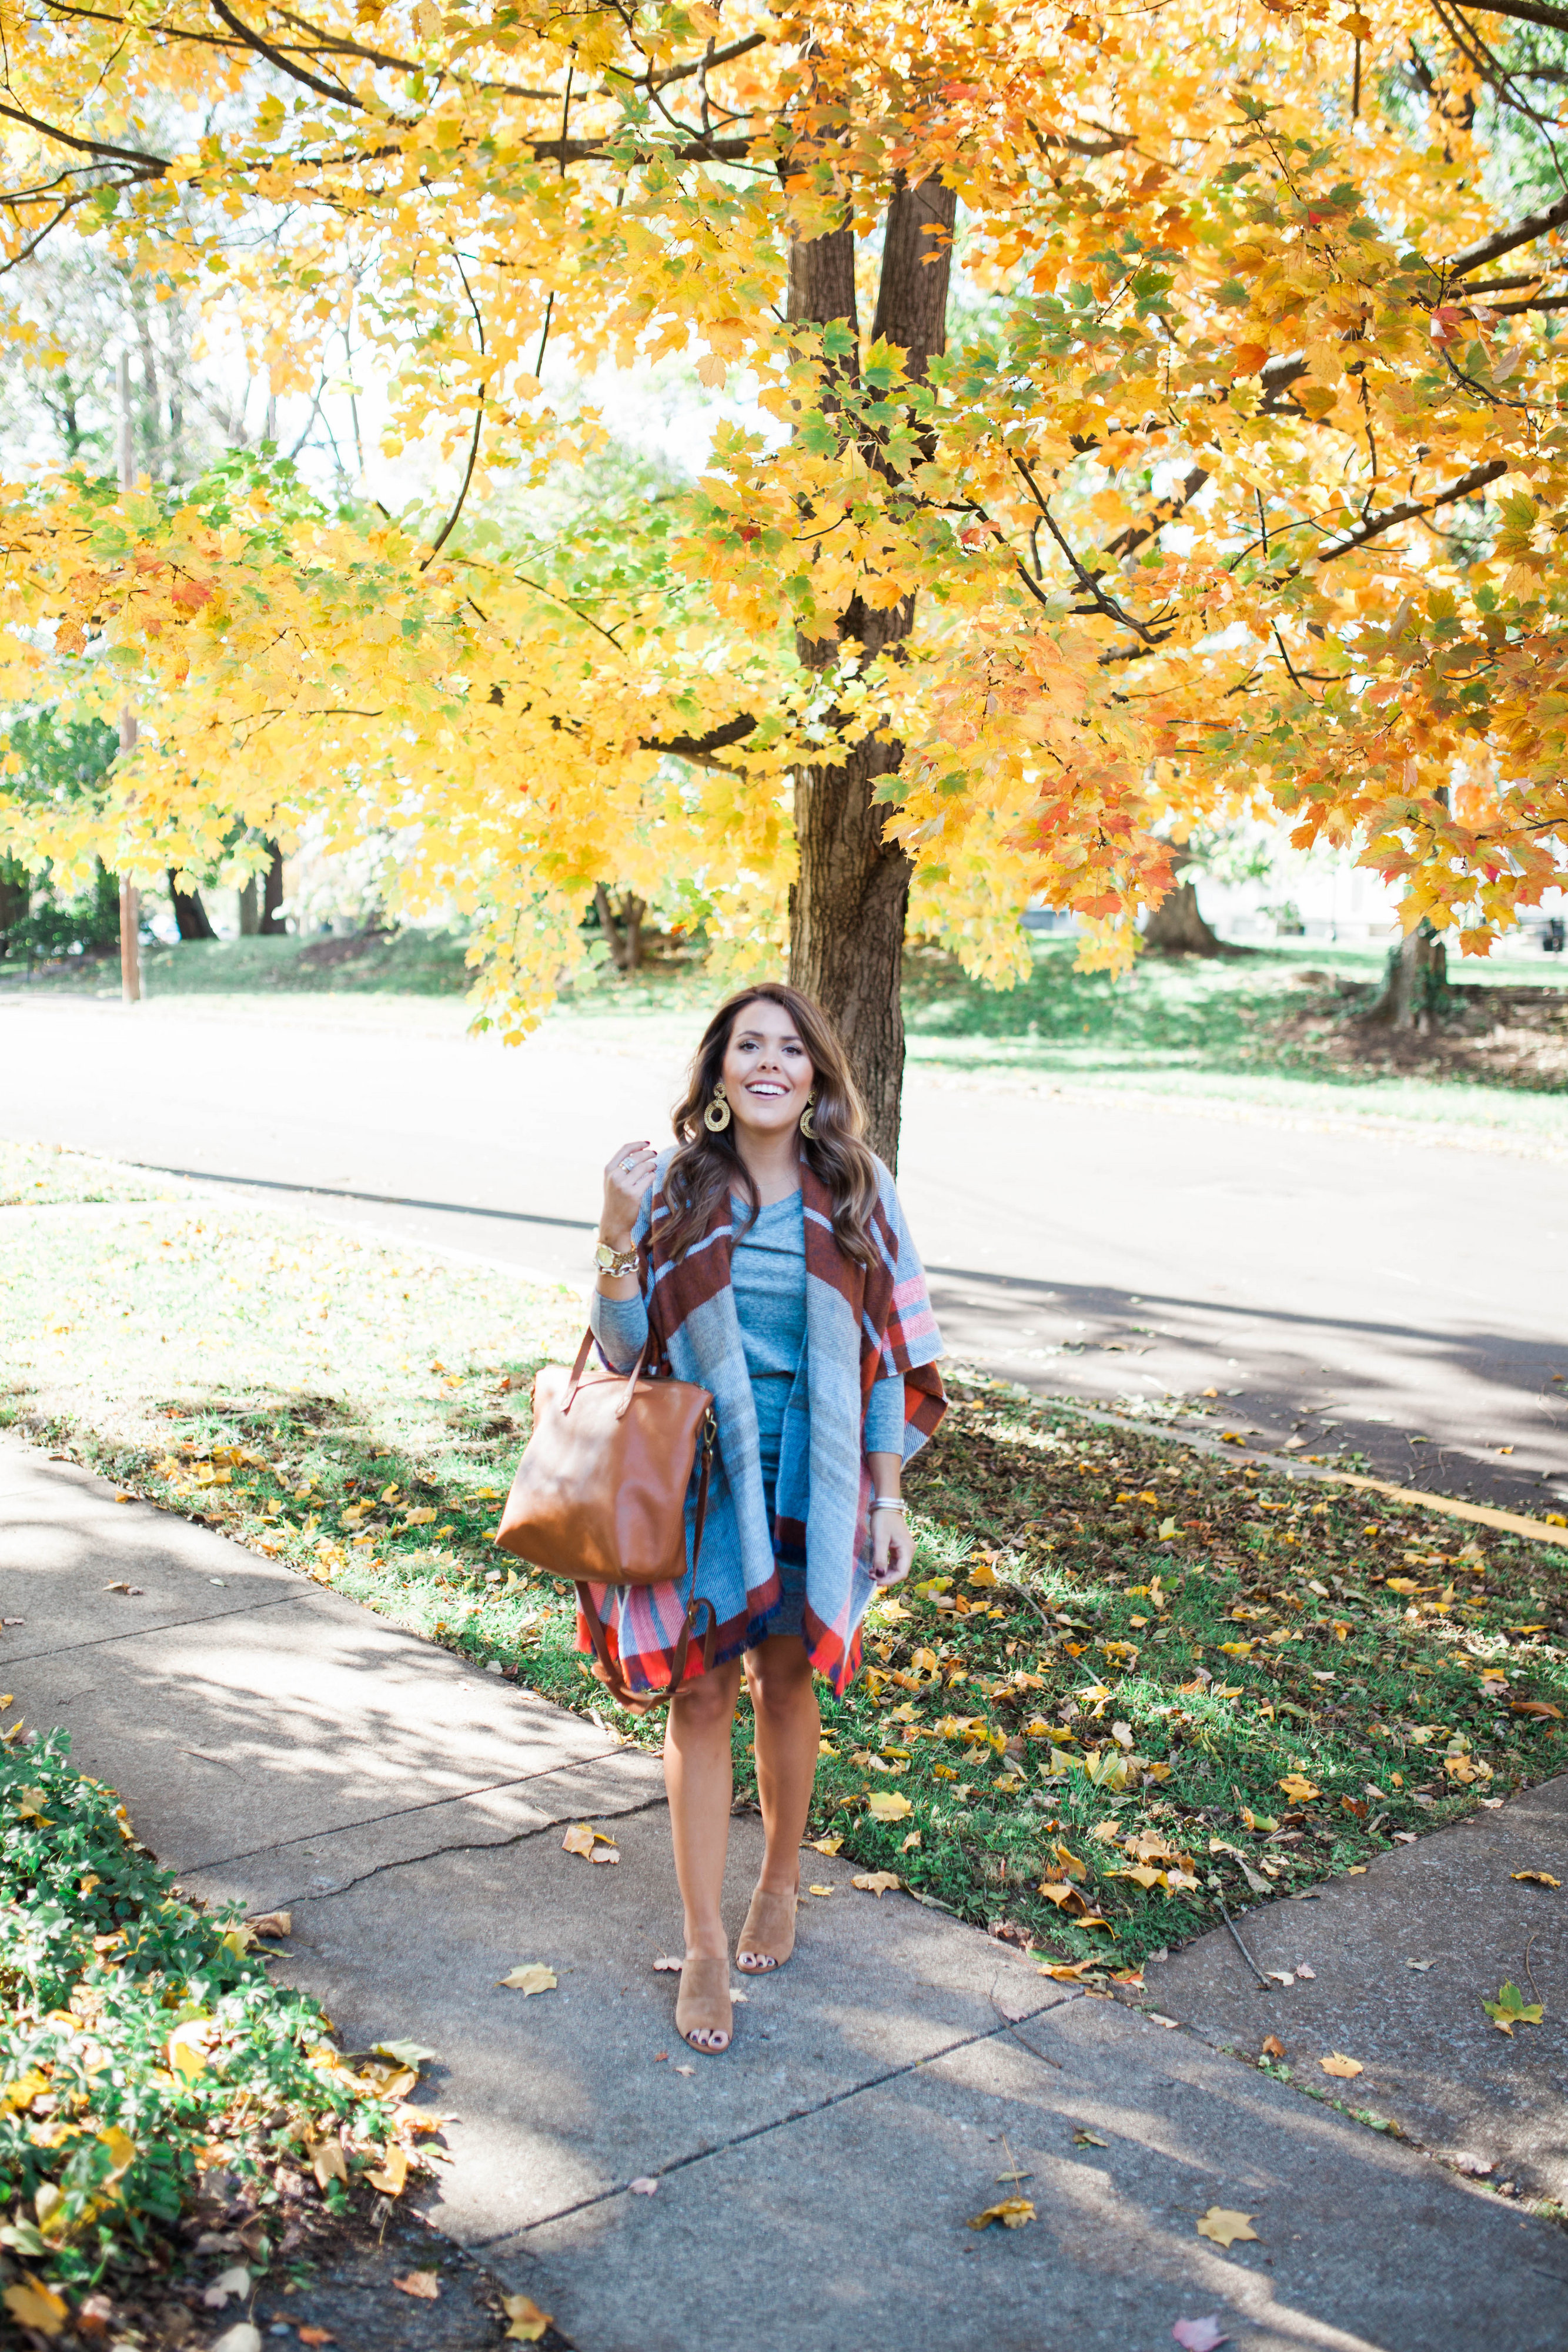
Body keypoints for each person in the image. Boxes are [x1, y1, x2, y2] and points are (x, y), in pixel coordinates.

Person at [585, 981, 945, 2055]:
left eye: (792, 1048)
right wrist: (612, 1226)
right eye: (750, 1046)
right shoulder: (677, 1187)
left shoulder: (857, 1187)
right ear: (720, 1071)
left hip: (818, 1470)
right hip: (703, 1479)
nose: (771, 1064)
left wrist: (886, 1494)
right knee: (699, 1695)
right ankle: (702, 1943)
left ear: (819, 1074)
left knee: (786, 1676)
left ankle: (781, 1879)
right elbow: (615, 1348)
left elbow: (889, 1356)